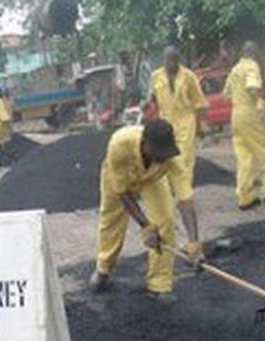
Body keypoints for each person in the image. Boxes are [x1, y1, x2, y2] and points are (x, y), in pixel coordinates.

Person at [88, 119, 204, 301]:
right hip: (120, 175)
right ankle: (104, 268)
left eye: (166, 154)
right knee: (111, 221)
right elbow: (124, 193)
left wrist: (194, 242)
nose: (163, 157)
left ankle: (159, 284)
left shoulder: (171, 157)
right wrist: (145, 226)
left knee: (165, 221)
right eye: (159, 153)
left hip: (153, 178)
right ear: (145, 144)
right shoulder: (119, 144)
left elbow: (185, 202)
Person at [145, 46, 207, 249]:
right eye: (167, 60)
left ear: (178, 60)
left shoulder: (189, 77)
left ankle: (184, 197)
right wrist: (148, 102)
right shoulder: (156, 76)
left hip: (185, 124)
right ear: (163, 60)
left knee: (182, 162)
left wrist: (202, 125)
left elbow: (198, 102)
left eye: (174, 60)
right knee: (166, 162)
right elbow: (153, 96)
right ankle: (175, 195)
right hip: (166, 125)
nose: (171, 64)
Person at [223, 41, 265, 210]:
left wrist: (240, 99)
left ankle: (244, 198)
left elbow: (226, 94)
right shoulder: (252, 66)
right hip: (250, 114)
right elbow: (252, 86)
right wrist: (259, 102)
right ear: (255, 53)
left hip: (236, 116)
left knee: (244, 158)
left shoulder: (235, 69)